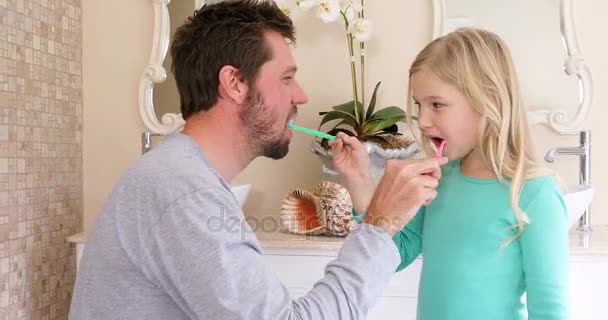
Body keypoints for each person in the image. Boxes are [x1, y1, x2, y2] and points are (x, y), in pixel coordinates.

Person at [68, 1, 447, 319]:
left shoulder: (179, 176)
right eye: (286, 78)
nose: (300, 96)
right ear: (234, 83)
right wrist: (379, 225)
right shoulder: (181, 190)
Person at [331, 28, 569, 319]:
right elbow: (393, 254)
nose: (424, 121)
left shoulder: (534, 192)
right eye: (419, 106)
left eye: (437, 105)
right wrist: (359, 181)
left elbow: (550, 309)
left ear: (487, 99)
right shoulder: (437, 181)